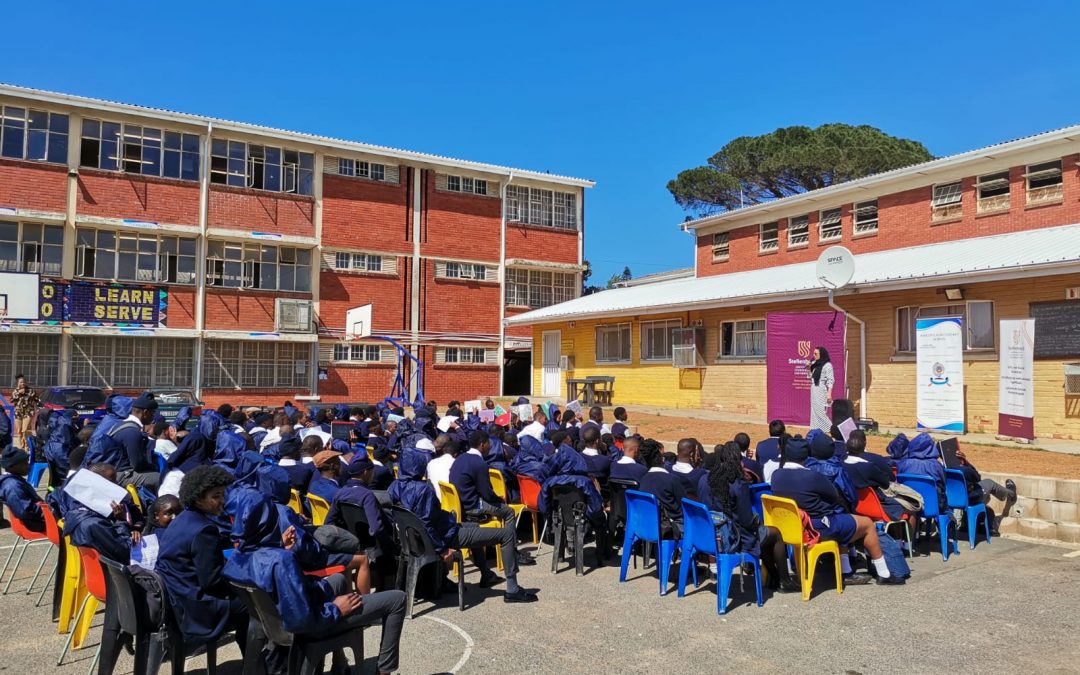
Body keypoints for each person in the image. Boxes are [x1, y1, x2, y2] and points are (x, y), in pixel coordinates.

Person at [224, 495, 407, 674]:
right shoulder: (281, 560)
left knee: (339, 579)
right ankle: (384, 671)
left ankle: (339, 662)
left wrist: (279, 546)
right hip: (312, 624)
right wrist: (336, 609)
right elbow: (301, 619)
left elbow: (265, 573)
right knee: (398, 599)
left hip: (276, 622)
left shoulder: (236, 558)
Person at [391, 449, 538, 603]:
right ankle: (513, 589)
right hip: (445, 537)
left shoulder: (394, 487)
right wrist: (443, 550)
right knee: (506, 535)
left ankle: (486, 575)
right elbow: (426, 524)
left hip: (419, 540)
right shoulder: (423, 490)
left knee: (474, 526)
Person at [770, 437, 903, 585]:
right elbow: (833, 495)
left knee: (843, 520)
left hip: (790, 528)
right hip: (817, 528)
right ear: (805, 456)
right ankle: (884, 573)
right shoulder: (812, 476)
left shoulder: (776, 475)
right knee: (866, 524)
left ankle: (846, 570)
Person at [156, 465, 250, 651]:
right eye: (216, 496)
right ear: (198, 499)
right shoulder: (204, 530)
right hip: (196, 609)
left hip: (179, 599)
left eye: (222, 495)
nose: (222, 501)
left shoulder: (182, 520)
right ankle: (257, 665)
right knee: (256, 607)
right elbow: (211, 581)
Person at [699, 444, 797, 593]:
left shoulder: (704, 479)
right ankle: (784, 580)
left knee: (762, 533)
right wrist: (757, 523)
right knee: (775, 533)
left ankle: (774, 577)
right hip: (732, 539)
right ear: (739, 461)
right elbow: (746, 520)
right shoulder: (738, 484)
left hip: (708, 536)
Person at [449, 430, 533, 565]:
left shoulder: (460, 459)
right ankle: (513, 552)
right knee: (509, 512)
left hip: (460, 506)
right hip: (474, 506)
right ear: (482, 445)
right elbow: (487, 493)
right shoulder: (478, 462)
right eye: (489, 444)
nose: (490, 447)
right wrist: (500, 500)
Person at [843, 430, 912, 522]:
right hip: (875, 507)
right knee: (911, 507)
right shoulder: (869, 466)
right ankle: (908, 536)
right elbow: (887, 483)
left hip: (852, 506)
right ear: (864, 444)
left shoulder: (839, 464)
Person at [953, 449, 1017, 537]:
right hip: (970, 499)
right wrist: (965, 462)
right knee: (988, 483)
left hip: (951, 501)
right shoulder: (963, 470)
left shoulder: (941, 468)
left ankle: (967, 522)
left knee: (985, 489)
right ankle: (1010, 493)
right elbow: (977, 477)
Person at [637, 438, 685, 539]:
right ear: (662, 458)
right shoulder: (672, 479)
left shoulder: (642, 478)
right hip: (670, 526)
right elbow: (684, 504)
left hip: (646, 523)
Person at [113, 392, 160, 490]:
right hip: (120, 475)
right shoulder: (132, 432)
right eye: (153, 412)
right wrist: (155, 467)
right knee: (160, 477)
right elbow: (137, 464)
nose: (153, 416)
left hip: (116, 470)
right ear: (145, 412)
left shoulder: (121, 425)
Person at [0, 444, 46, 532]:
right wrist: (47, 511)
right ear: (12, 466)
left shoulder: (16, 480)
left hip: (37, 519)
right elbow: (25, 511)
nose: (28, 466)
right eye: (24, 463)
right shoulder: (12, 486)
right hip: (35, 524)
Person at [9, 374, 40, 450]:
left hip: (28, 413)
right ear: (17, 383)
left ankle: (26, 447)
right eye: (21, 382)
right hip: (18, 413)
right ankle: (21, 447)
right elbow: (12, 400)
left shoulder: (31, 391)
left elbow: (36, 399)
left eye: (24, 382)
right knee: (19, 431)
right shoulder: (15, 391)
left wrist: (39, 407)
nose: (22, 383)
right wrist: (19, 393)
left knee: (25, 430)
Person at [808, 347, 835, 434]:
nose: (814, 355)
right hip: (814, 389)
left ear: (821, 355)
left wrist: (829, 394)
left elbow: (830, 381)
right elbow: (811, 377)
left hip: (821, 390)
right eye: (813, 353)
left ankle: (832, 429)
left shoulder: (827, 365)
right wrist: (809, 367)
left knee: (821, 412)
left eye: (816, 354)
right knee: (814, 411)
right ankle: (815, 430)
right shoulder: (815, 364)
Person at [427, 433, 458, 501]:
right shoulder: (456, 464)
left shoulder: (431, 463)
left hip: (432, 501)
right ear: (456, 455)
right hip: (451, 504)